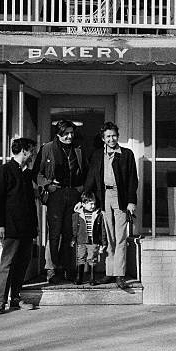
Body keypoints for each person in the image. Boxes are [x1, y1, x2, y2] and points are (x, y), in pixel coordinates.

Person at [85, 122, 138, 290]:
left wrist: (131, 201)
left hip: (120, 197)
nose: (111, 139)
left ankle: (120, 275)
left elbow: (132, 180)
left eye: (114, 135)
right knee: (108, 237)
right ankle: (109, 272)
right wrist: (86, 196)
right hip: (104, 197)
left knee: (120, 236)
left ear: (118, 136)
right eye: (108, 136)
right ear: (103, 138)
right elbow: (92, 177)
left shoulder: (127, 154)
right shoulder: (98, 155)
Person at [35, 120, 87, 283]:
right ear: (58, 134)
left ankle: (68, 268)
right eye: (66, 133)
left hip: (73, 195)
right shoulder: (47, 148)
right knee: (54, 233)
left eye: (72, 133)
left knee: (70, 233)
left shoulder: (78, 149)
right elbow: (36, 173)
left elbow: (86, 171)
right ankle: (51, 269)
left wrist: (82, 188)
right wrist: (47, 185)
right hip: (55, 195)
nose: (70, 136)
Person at [0, 138, 38, 314]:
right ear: (24, 151)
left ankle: (16, 298)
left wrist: (35, 227)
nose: (33, 154)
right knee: (8, 264)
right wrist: (0, 225)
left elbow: (30, 204)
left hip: (26, 229)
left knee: (22, 264)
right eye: (31, 150)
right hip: (10, 228)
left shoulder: (26, 174)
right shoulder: (4, 171)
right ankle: (1, 301)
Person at [71, 192, 107, 285]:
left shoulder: (98, 215)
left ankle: (92, 278)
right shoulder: (77, 215)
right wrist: (74, 238)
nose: (93, 206)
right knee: (80, 258)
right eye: (90, 204)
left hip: (93, 241)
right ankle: (79, 278)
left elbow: (102, 229)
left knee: (92, 258)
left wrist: (103, 242)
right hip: (81, 240)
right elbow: (75, 228)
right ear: (83, 204)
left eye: (94, 203)